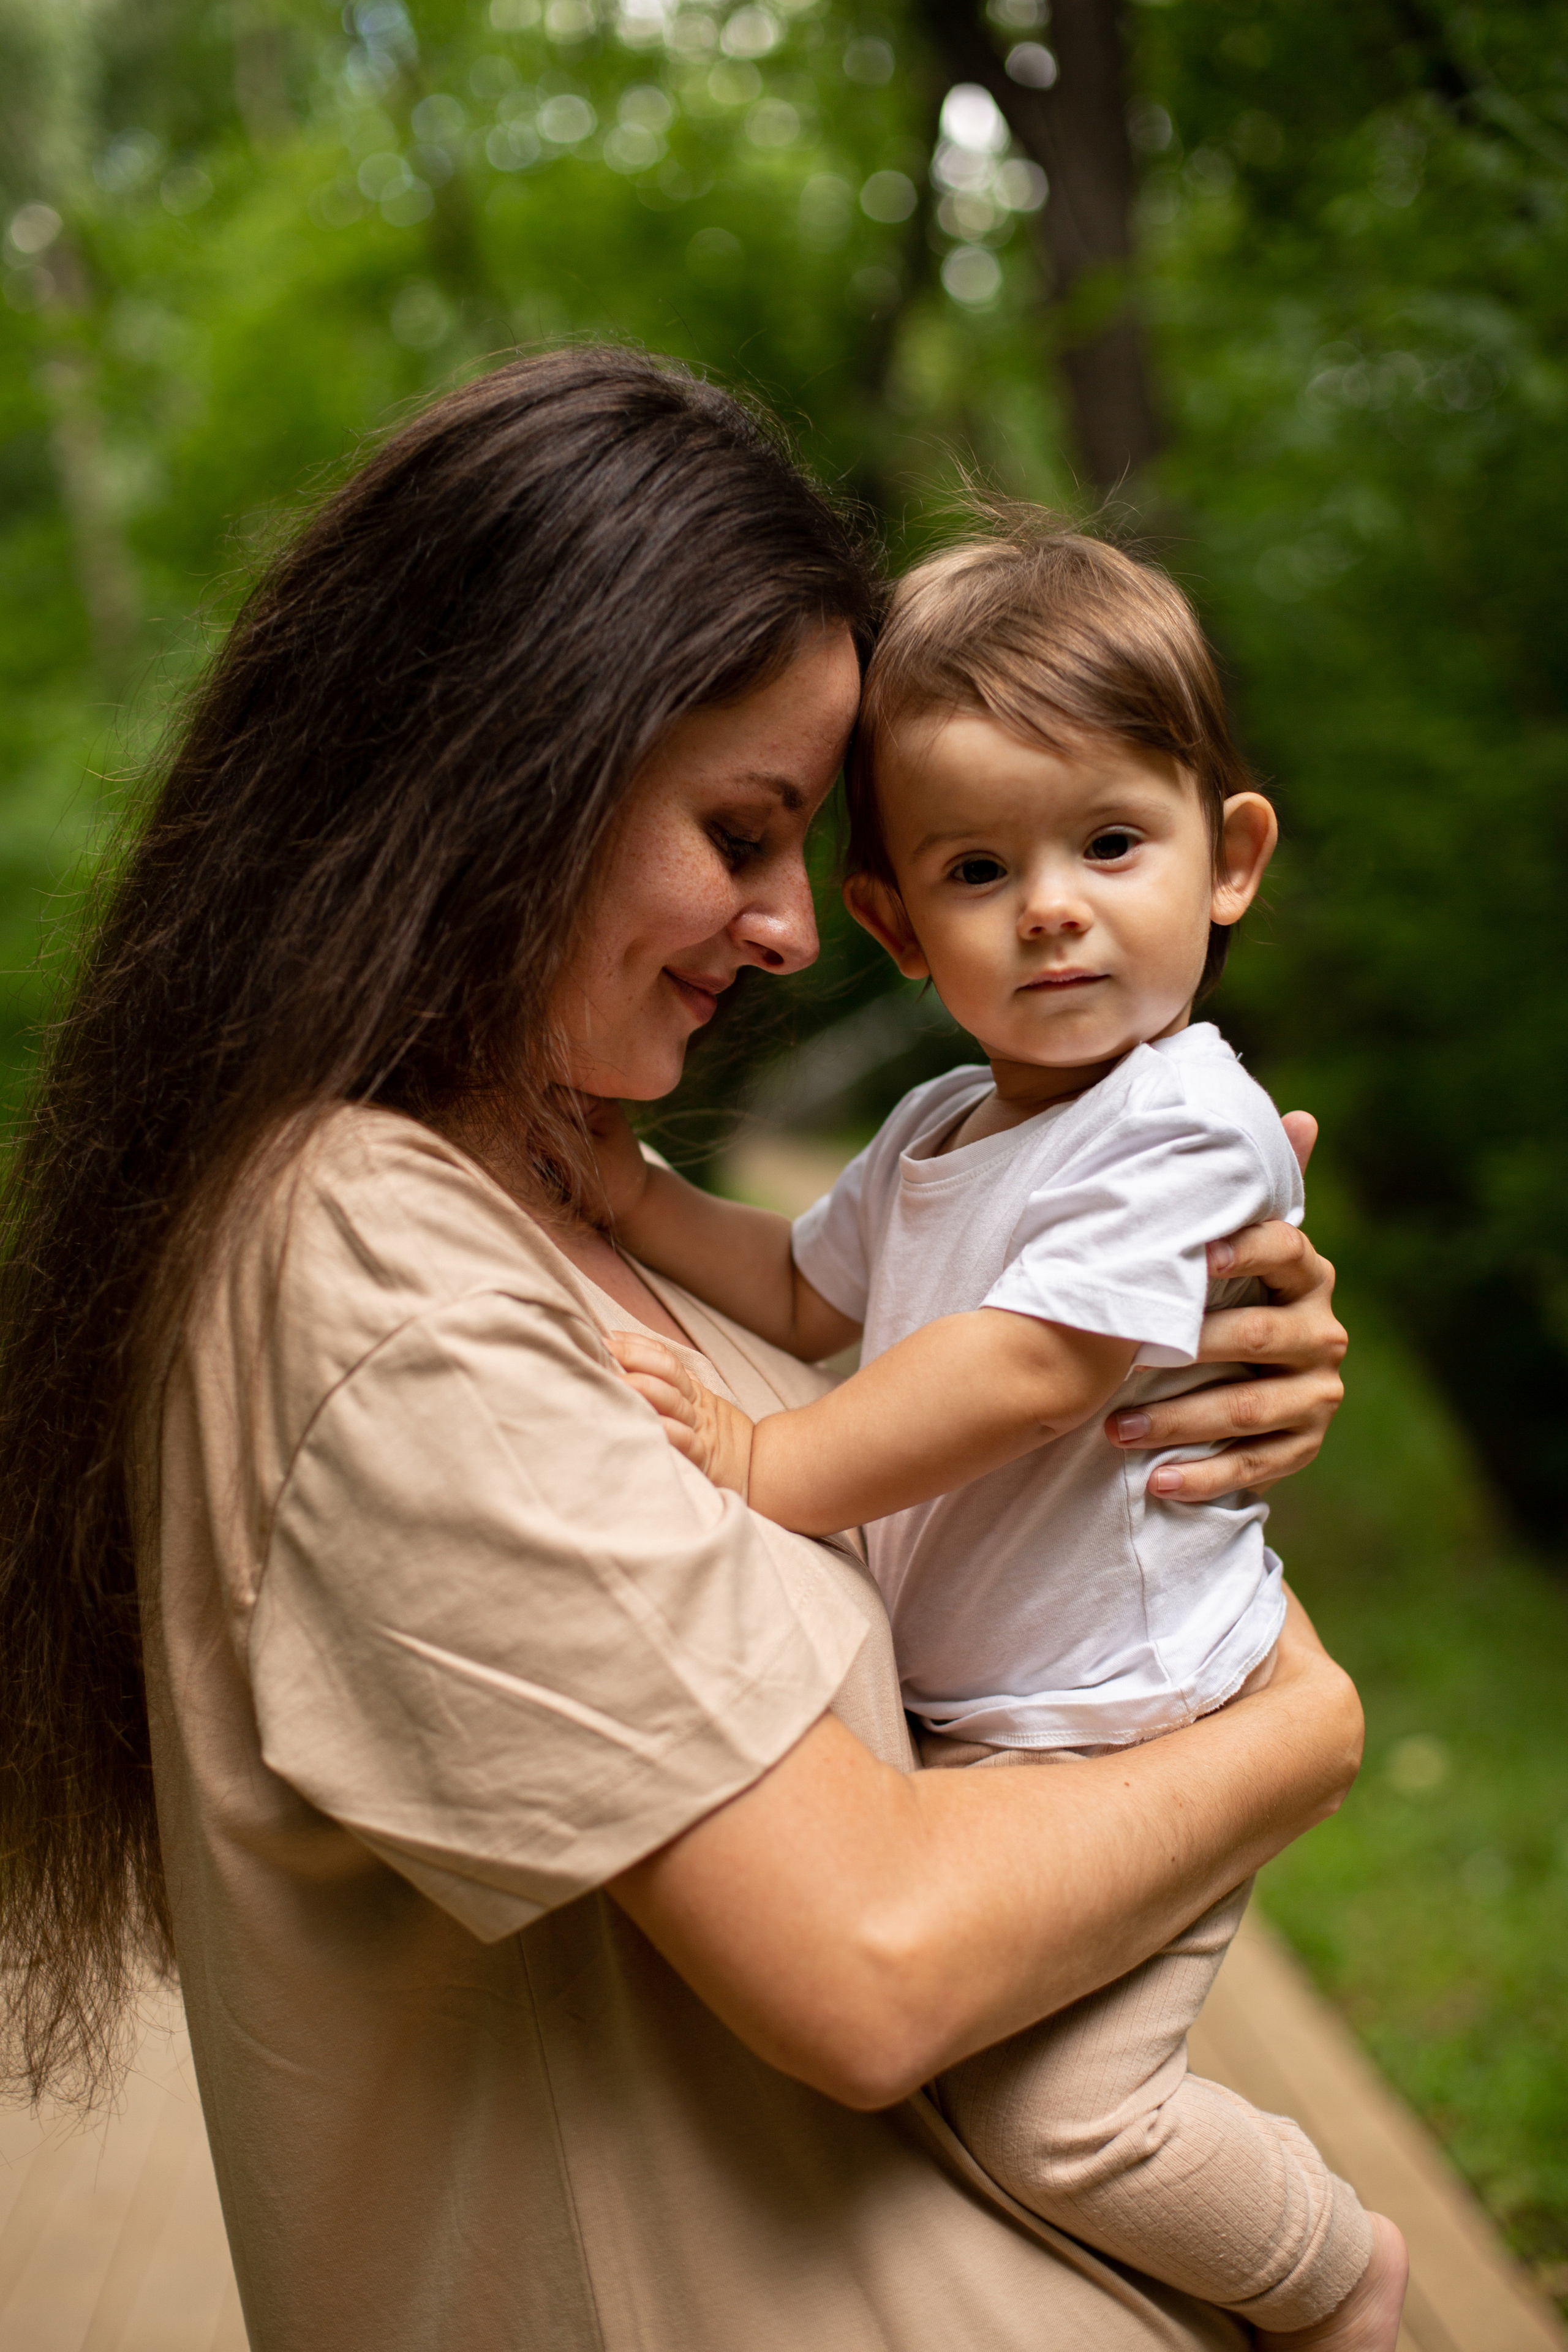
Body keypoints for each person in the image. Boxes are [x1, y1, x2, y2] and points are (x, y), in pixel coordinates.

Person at [0, 350, 1361, 2352]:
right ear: (500, 777)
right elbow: (874, 1961)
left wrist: (1187, 1405)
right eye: (744, 833)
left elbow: (952, 1444)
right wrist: (1302, 1729)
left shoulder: (555, 1198)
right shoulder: (364, 1263)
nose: (799, 926)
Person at [595, 524, 1408, 2348]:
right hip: (991, 1731)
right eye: (981, 867)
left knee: (1064, 2128)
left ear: (1230, 861)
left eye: (1110, 844)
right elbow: (811, 1293)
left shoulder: (1189, 1127)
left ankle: (1340, 2280)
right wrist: (630, 1199)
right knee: (949, 2113)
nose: (1052, 904)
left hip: (1135, 1713)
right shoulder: (944, 1125)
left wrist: (758, 1461)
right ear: (894, 925)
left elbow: (1035, 1369)